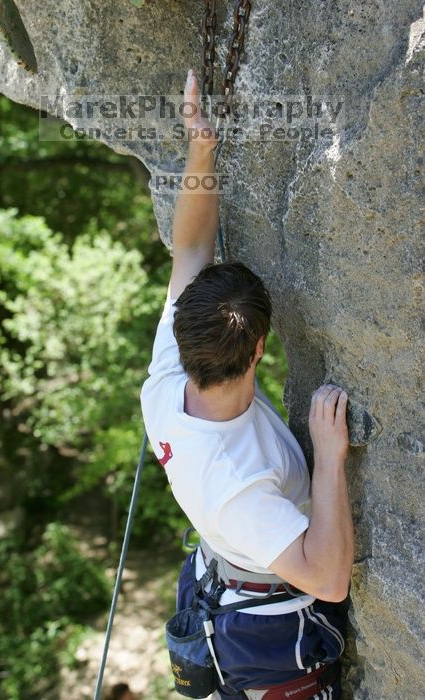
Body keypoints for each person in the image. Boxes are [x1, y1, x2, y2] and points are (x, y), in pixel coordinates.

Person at [140, 67, 354, 700]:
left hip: (223, 571)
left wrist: (200, 147)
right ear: (261, 350)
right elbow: (330, 579)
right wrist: (330, 460)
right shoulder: (240, 484)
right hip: (269, 636)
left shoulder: (168, 374)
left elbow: (190, 248)